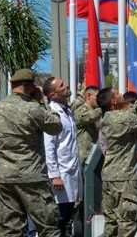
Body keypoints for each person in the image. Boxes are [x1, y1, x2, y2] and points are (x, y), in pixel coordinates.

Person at [0, 68, 62, 237]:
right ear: (31, 87)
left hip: (3, 177)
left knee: (11, 229)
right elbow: (56, 126)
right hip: (31, 176)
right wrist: (42, 102)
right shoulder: (32, 109)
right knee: (48, 227)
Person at [98, 84, 137, 237]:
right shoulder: (123, 118)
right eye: (117, 94)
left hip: (109, 177)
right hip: (125, 179)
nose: (121, 95)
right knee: (127, 222)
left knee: (111, 223)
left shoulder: (107, 118)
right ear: (113, 101)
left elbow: (132, 112)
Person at [42, 76, 82, 237]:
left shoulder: (68, 111)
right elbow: (49, 147)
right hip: (61, 174)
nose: (66, 86)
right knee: (60, 216)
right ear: (53, 94)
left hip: (72, 170)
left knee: (68, 215)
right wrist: (55, 175)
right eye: (61, 85)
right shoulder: (51, 114)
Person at [71, 85, 101, 166]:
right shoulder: (80, 110)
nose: (100, 100)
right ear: (89, 96)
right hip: (83, 158)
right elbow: (89, 117)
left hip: (94, 156)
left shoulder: (96, 112)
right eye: (98, 97)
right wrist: (104, 107)